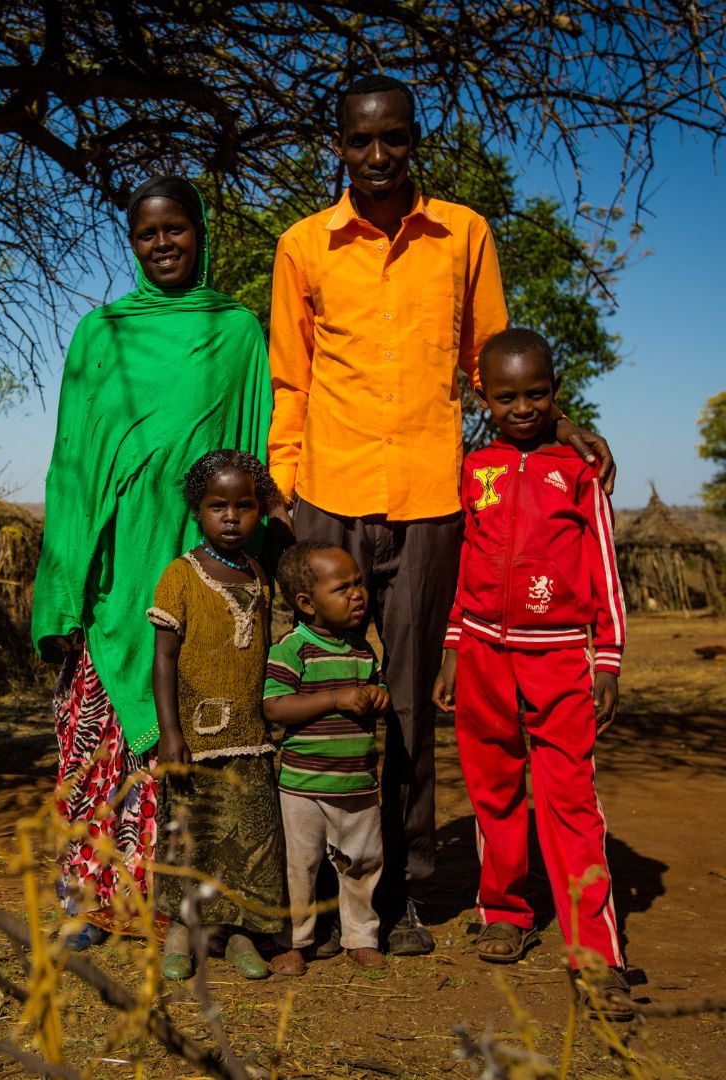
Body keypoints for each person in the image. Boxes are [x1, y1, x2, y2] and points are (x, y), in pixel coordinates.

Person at [267, 73, 614, 955]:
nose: (378, 157)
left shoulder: (464, 233)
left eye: (395, 139)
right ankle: (303, 883)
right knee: (311, 693)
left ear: (416, 139)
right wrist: (285, 485)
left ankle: (408, 889)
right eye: (359, 141)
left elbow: (490, 362)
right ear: (336, 145)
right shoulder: (303, 246)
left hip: (430, 500)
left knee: (413, 700)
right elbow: (291, 380)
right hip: (326, 497)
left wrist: (564, 427)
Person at [33, 176, 274, 947]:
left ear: (202, 234)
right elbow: (70, 464)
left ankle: (177, 901)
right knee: (95, 727)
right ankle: (88, 901)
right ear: (131, 243)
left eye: (178, 229)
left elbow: (253, 445)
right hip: (112, 562)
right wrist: (60, 592)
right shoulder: (98, 333)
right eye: (148, 233)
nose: (164, 243)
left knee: (195, 724)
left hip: (196, 551)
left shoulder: (236, 331)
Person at [433, 328, 631, 1019]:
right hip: (484, 651)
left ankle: (596, 949)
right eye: (508, 396)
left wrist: (606, 658)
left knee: (569, 796)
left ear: (557, 392)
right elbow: (465, 564)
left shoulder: (577, 468)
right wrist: (455, 647)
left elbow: (605, 566)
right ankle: (506, 912)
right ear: (483, 394)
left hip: (560, 653)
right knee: (493, 788)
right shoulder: (472, 464)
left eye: (538, 394)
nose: (524, 408)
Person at [148, 450, 285, 981]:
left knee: (251, 839)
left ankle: (240, 936)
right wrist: (169, 732)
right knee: (192, 836)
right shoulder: (180, 577)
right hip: (195, 740)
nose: (232, 517)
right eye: (217, 506)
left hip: (250, 737)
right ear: (196, 511)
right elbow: (163, 659)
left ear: (260, 511)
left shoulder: (258, 575)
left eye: (245, 506)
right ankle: (183, 932)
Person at [263, 542, 390, 975]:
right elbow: (275, 707)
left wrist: (378, 697)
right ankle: (292, 940)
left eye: (358, 583)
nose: (358, 594)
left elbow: (379, 692)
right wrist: (336, 698)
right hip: (303, 788)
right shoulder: (292, 649)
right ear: (306, 603)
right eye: (342, 588)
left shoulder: (362, 650)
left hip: (357, 786)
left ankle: (360, 936)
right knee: (299, 869)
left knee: (363, 866)